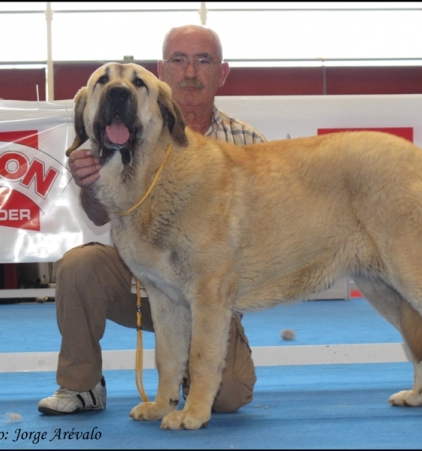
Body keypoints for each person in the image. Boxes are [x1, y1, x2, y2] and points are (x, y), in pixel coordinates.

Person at [38, 25, 265, 415]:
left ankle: (194, 370)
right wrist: (89, 186)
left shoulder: (247, 144)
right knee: (80, 266)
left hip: (207, 297)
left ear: (222, 72)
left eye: (203, 61)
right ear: (162, 70)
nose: (190, 71)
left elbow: (259, 238)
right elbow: (96, 217)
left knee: (227, 397)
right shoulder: (114, 135)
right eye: (179, 60)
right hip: (135, 281)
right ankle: (81, 386)